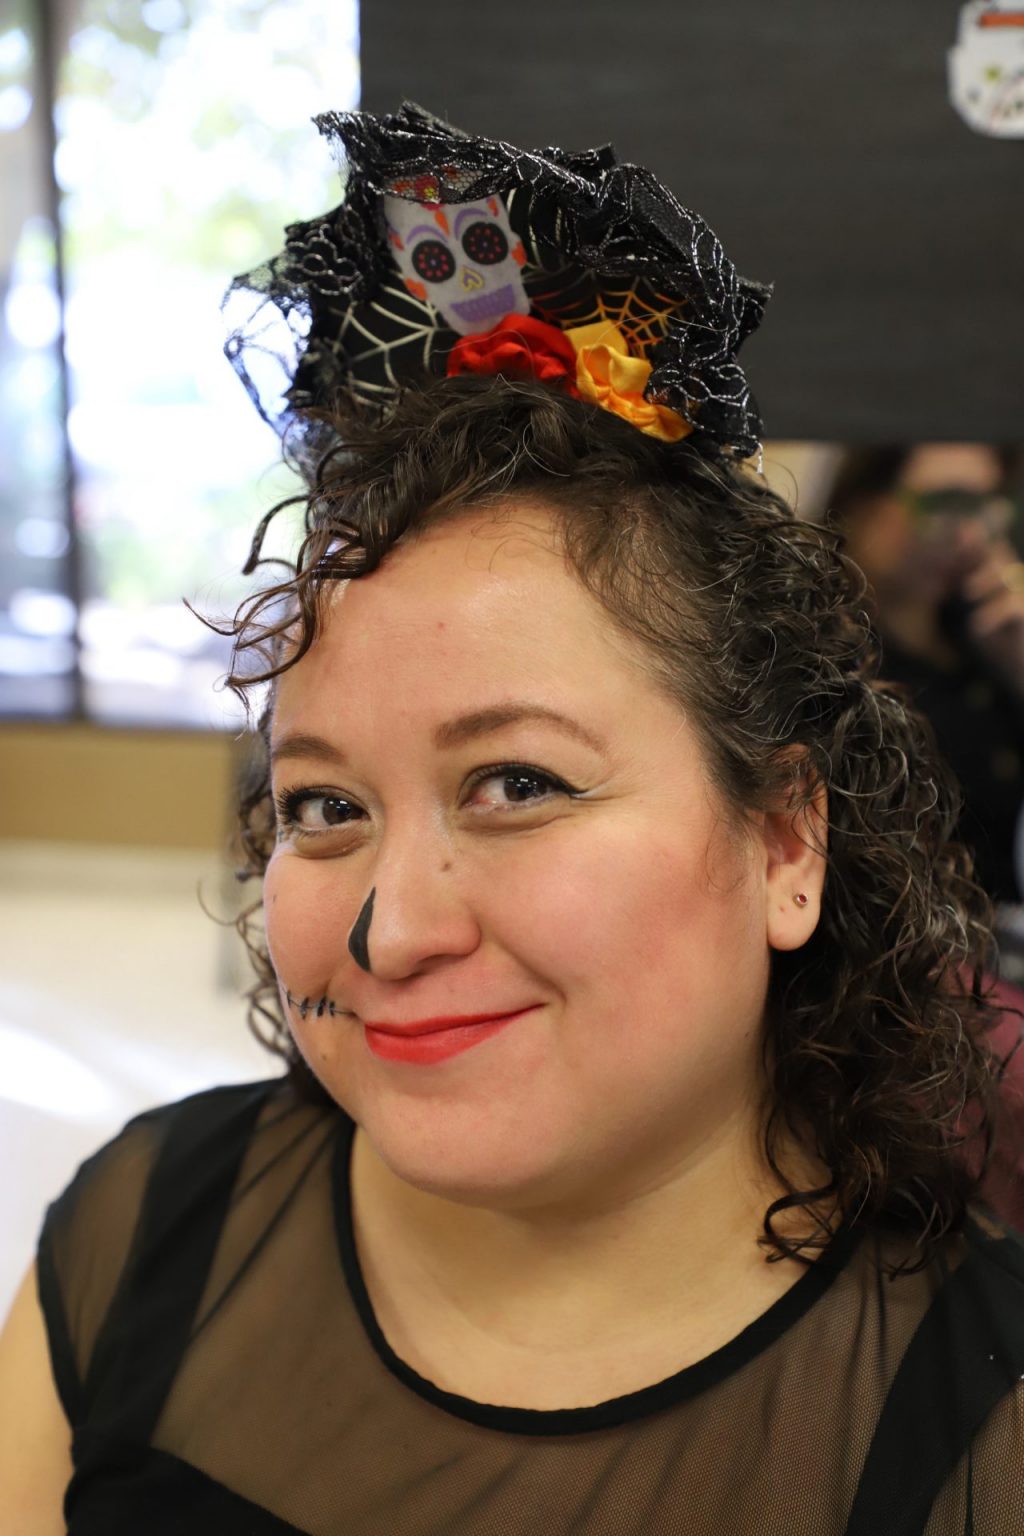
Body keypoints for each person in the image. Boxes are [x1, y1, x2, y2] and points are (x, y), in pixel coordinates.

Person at [1, 104, 1023, 1536]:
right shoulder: (136, 1236)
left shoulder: (981, 1430)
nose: (393, 931)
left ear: (786, 842)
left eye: (519, 784)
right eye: (324, 806)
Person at [829, 443, 1024, 907]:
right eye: (947, 504)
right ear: (864, 503)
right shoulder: (824, 654)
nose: (970, 537)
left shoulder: (983, 634)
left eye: (984, 506)